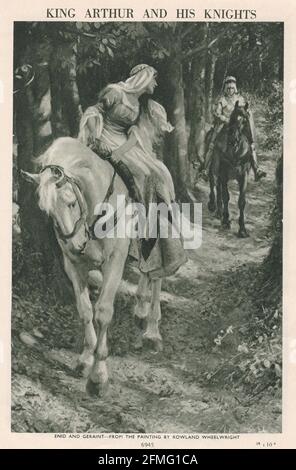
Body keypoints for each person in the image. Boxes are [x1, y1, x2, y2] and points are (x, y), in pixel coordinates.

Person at [78, 64, 187, 278]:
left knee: (154, 175)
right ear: (144, 78)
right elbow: (93, 111)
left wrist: (125, 148)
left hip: (123, 146)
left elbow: (131, 132)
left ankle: (149, 238)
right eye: (153, 79)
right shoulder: (115, 92)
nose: (155, 83)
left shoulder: (138, 102)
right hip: (103, 139)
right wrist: (94, 135)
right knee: (141, 176)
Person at [202, 76, 266, 181]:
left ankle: (256, 169)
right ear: (225, 88)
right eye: (228, 88)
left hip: (238, 125)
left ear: (234, 88)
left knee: (251, 144)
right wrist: (224, 118)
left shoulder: (240, 99)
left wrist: (246, 113)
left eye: (232, 88)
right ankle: (205, 169)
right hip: (224, 124)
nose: (230, 90)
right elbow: (217, 113)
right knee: (212, 144)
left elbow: (246, 110)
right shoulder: (222, 100)